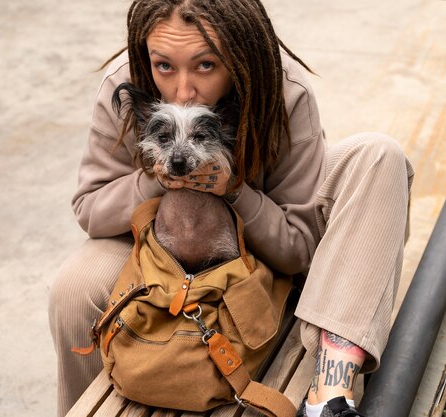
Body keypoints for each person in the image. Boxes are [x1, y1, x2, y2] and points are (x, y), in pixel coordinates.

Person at [48, 1, 414, 416]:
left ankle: (330, 389)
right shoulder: (129, 86)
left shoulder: (285, 91)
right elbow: (90, 206)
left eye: (205, 65)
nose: (183, 90)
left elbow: (298, 249)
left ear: (241, 56)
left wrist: (235, 190)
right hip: (158, 233)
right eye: (164, 66)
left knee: (379, 155)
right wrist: (162, 172)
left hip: (266, 231)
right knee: (74, 290)